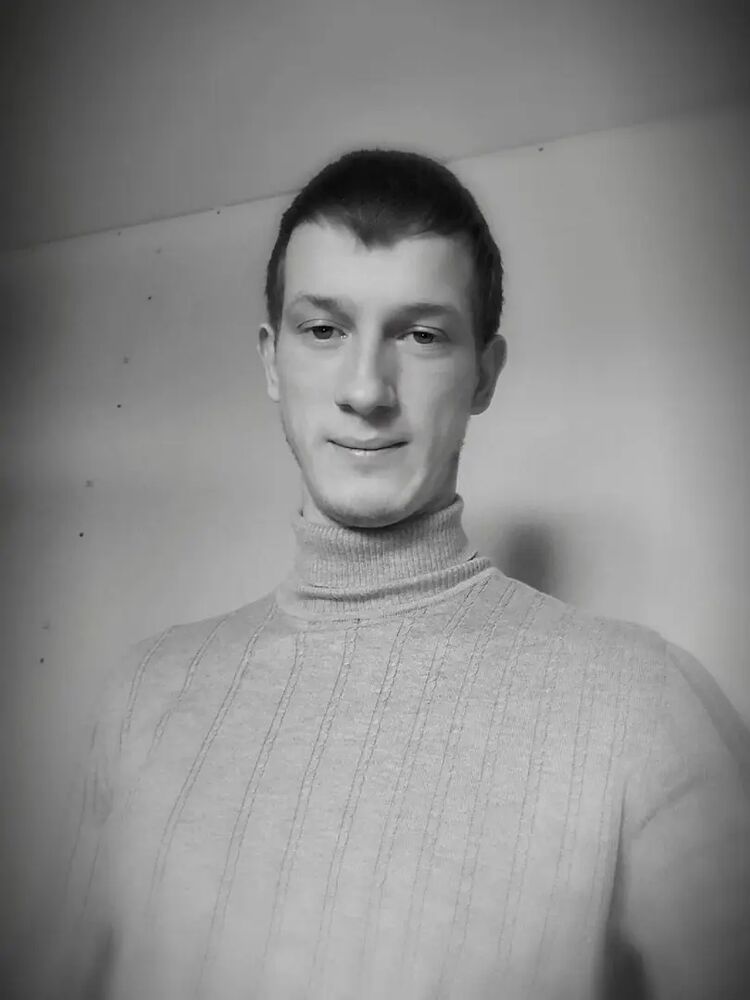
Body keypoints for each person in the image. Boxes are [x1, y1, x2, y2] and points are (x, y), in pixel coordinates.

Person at [25, 150, 750, 999]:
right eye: (323, 330)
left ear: (484, 374)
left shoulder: (643, 703)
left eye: (422, 335)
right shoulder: (142, 701)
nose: (366, 389)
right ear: (272, 361)